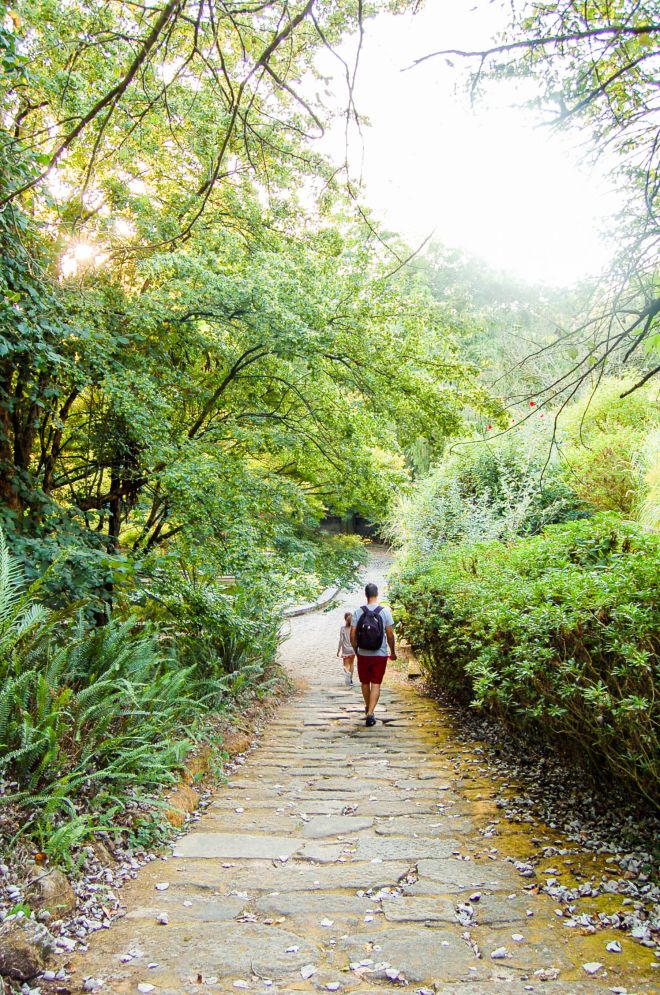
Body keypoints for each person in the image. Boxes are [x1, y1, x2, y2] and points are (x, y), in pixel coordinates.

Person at [351, 582, 396, 727]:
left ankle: (367, 707)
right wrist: (393, 651)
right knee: (376, 683)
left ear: (366, 594)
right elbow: (390, 634)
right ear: (377, 594)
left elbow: (352, 634)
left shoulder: (358, 611)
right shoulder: (384, 611)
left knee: (365, 682)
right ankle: (370, 713)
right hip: (379, 654)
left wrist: (356, 649)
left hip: (363, 653)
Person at [337, 612, 355, 686]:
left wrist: (338, 650)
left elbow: (341, 640)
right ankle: (350, 680)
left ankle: (347, 673)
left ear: (345, 619)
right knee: (352, 664)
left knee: (345, 665)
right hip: (353, 649)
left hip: (345, 650)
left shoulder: (342, 628)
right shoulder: (354, 628)